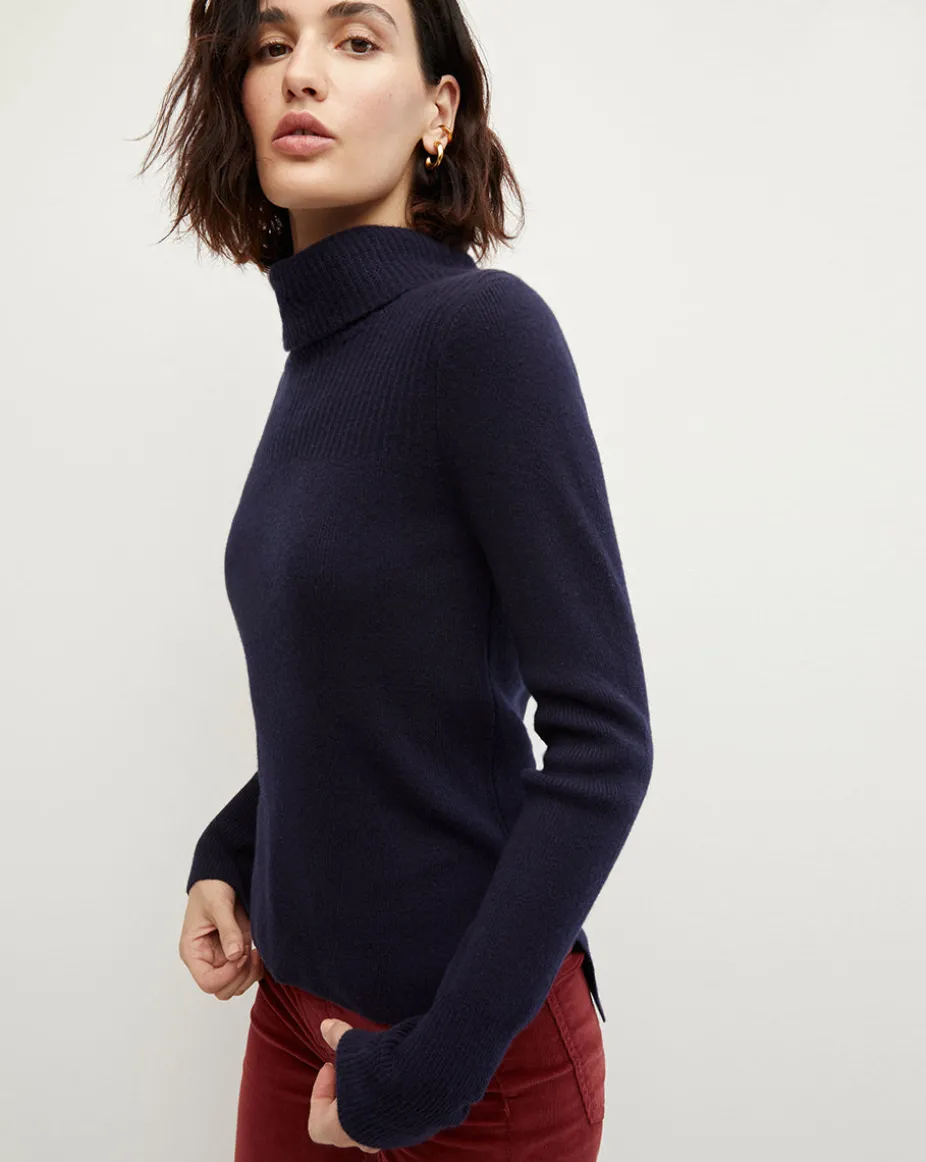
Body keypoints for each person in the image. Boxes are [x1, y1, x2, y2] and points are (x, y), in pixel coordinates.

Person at [141, 1, 654, 1157]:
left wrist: (434, 1068)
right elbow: (364, 702)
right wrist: (232, 852)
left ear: (437, 110)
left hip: (470, 1066)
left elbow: (604, 741)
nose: (301, 74)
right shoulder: (318, 362)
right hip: (293, 1020)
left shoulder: (481, 334)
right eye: (272, 46)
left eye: (357, 40)